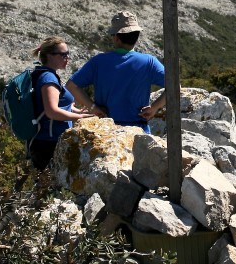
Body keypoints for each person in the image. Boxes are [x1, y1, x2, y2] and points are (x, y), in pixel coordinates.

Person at [67, 11, 166, 133]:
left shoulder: (98, 61)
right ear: (137, 36)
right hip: (139, 132)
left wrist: (93, 107)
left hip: (106, 131)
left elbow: (71, 85)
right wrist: (155, 107)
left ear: (116, 38)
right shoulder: (149, 62)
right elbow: (175, 87)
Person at [27, 37, 93, 171]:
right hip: (49, 143)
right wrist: (79, 118)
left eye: (68, 54)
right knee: (51, 187)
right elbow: (51, 111)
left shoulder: (46, 74)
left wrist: (73, 110)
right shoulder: (48, 78)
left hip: (44, 141)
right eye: (63, 55)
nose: (67, 58)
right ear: (49, 56)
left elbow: (54, 105)